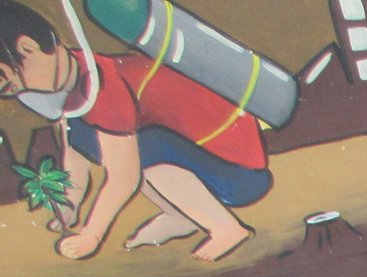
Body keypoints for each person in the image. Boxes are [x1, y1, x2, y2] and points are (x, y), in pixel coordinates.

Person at [0, 0, 267, 261]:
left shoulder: (103, 87)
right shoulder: (75, 82)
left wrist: (91, 236)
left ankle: (226, 228)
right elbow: (76, 155)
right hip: (204, 163)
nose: (19, 95)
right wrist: (70, 206)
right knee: (90, 137)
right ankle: (181, 215)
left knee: (141, 147)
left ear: (28, 47)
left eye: (11, 83)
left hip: (237, 173)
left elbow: (124, 177)